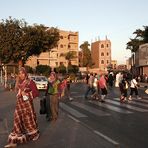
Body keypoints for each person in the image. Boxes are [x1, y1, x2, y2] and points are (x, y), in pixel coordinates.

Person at [5, 67, 39, 148]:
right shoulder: (18, 82)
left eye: (22, 73)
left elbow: (36, 93)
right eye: (19, 73)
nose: (21, 75)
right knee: (17, 121)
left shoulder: (30, 82)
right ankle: (13, 142)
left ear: (25, 73)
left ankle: (35, 134)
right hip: (19, 105)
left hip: (27, 106)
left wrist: (26, 94)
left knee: (29, 120)